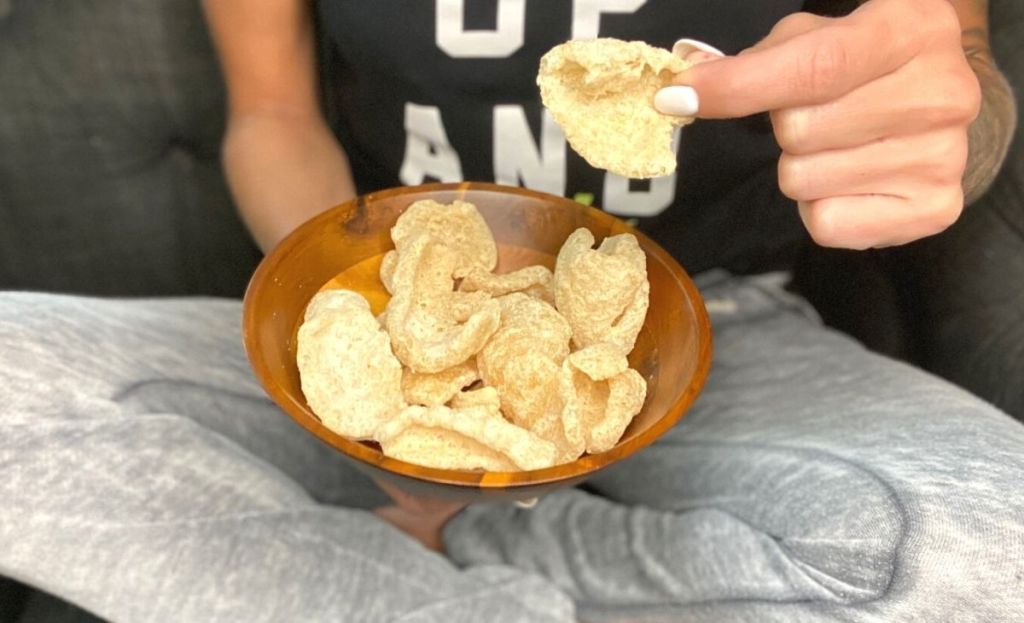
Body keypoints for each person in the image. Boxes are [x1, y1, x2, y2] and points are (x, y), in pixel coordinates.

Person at [1, 0, 1021, 621]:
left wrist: (953, 123)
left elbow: (958, 67)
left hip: (722, 317)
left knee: (990, 559)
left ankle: (478, 556)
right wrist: (372, 332)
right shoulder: (368, 322)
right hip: (374, 310)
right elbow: (272, 114)